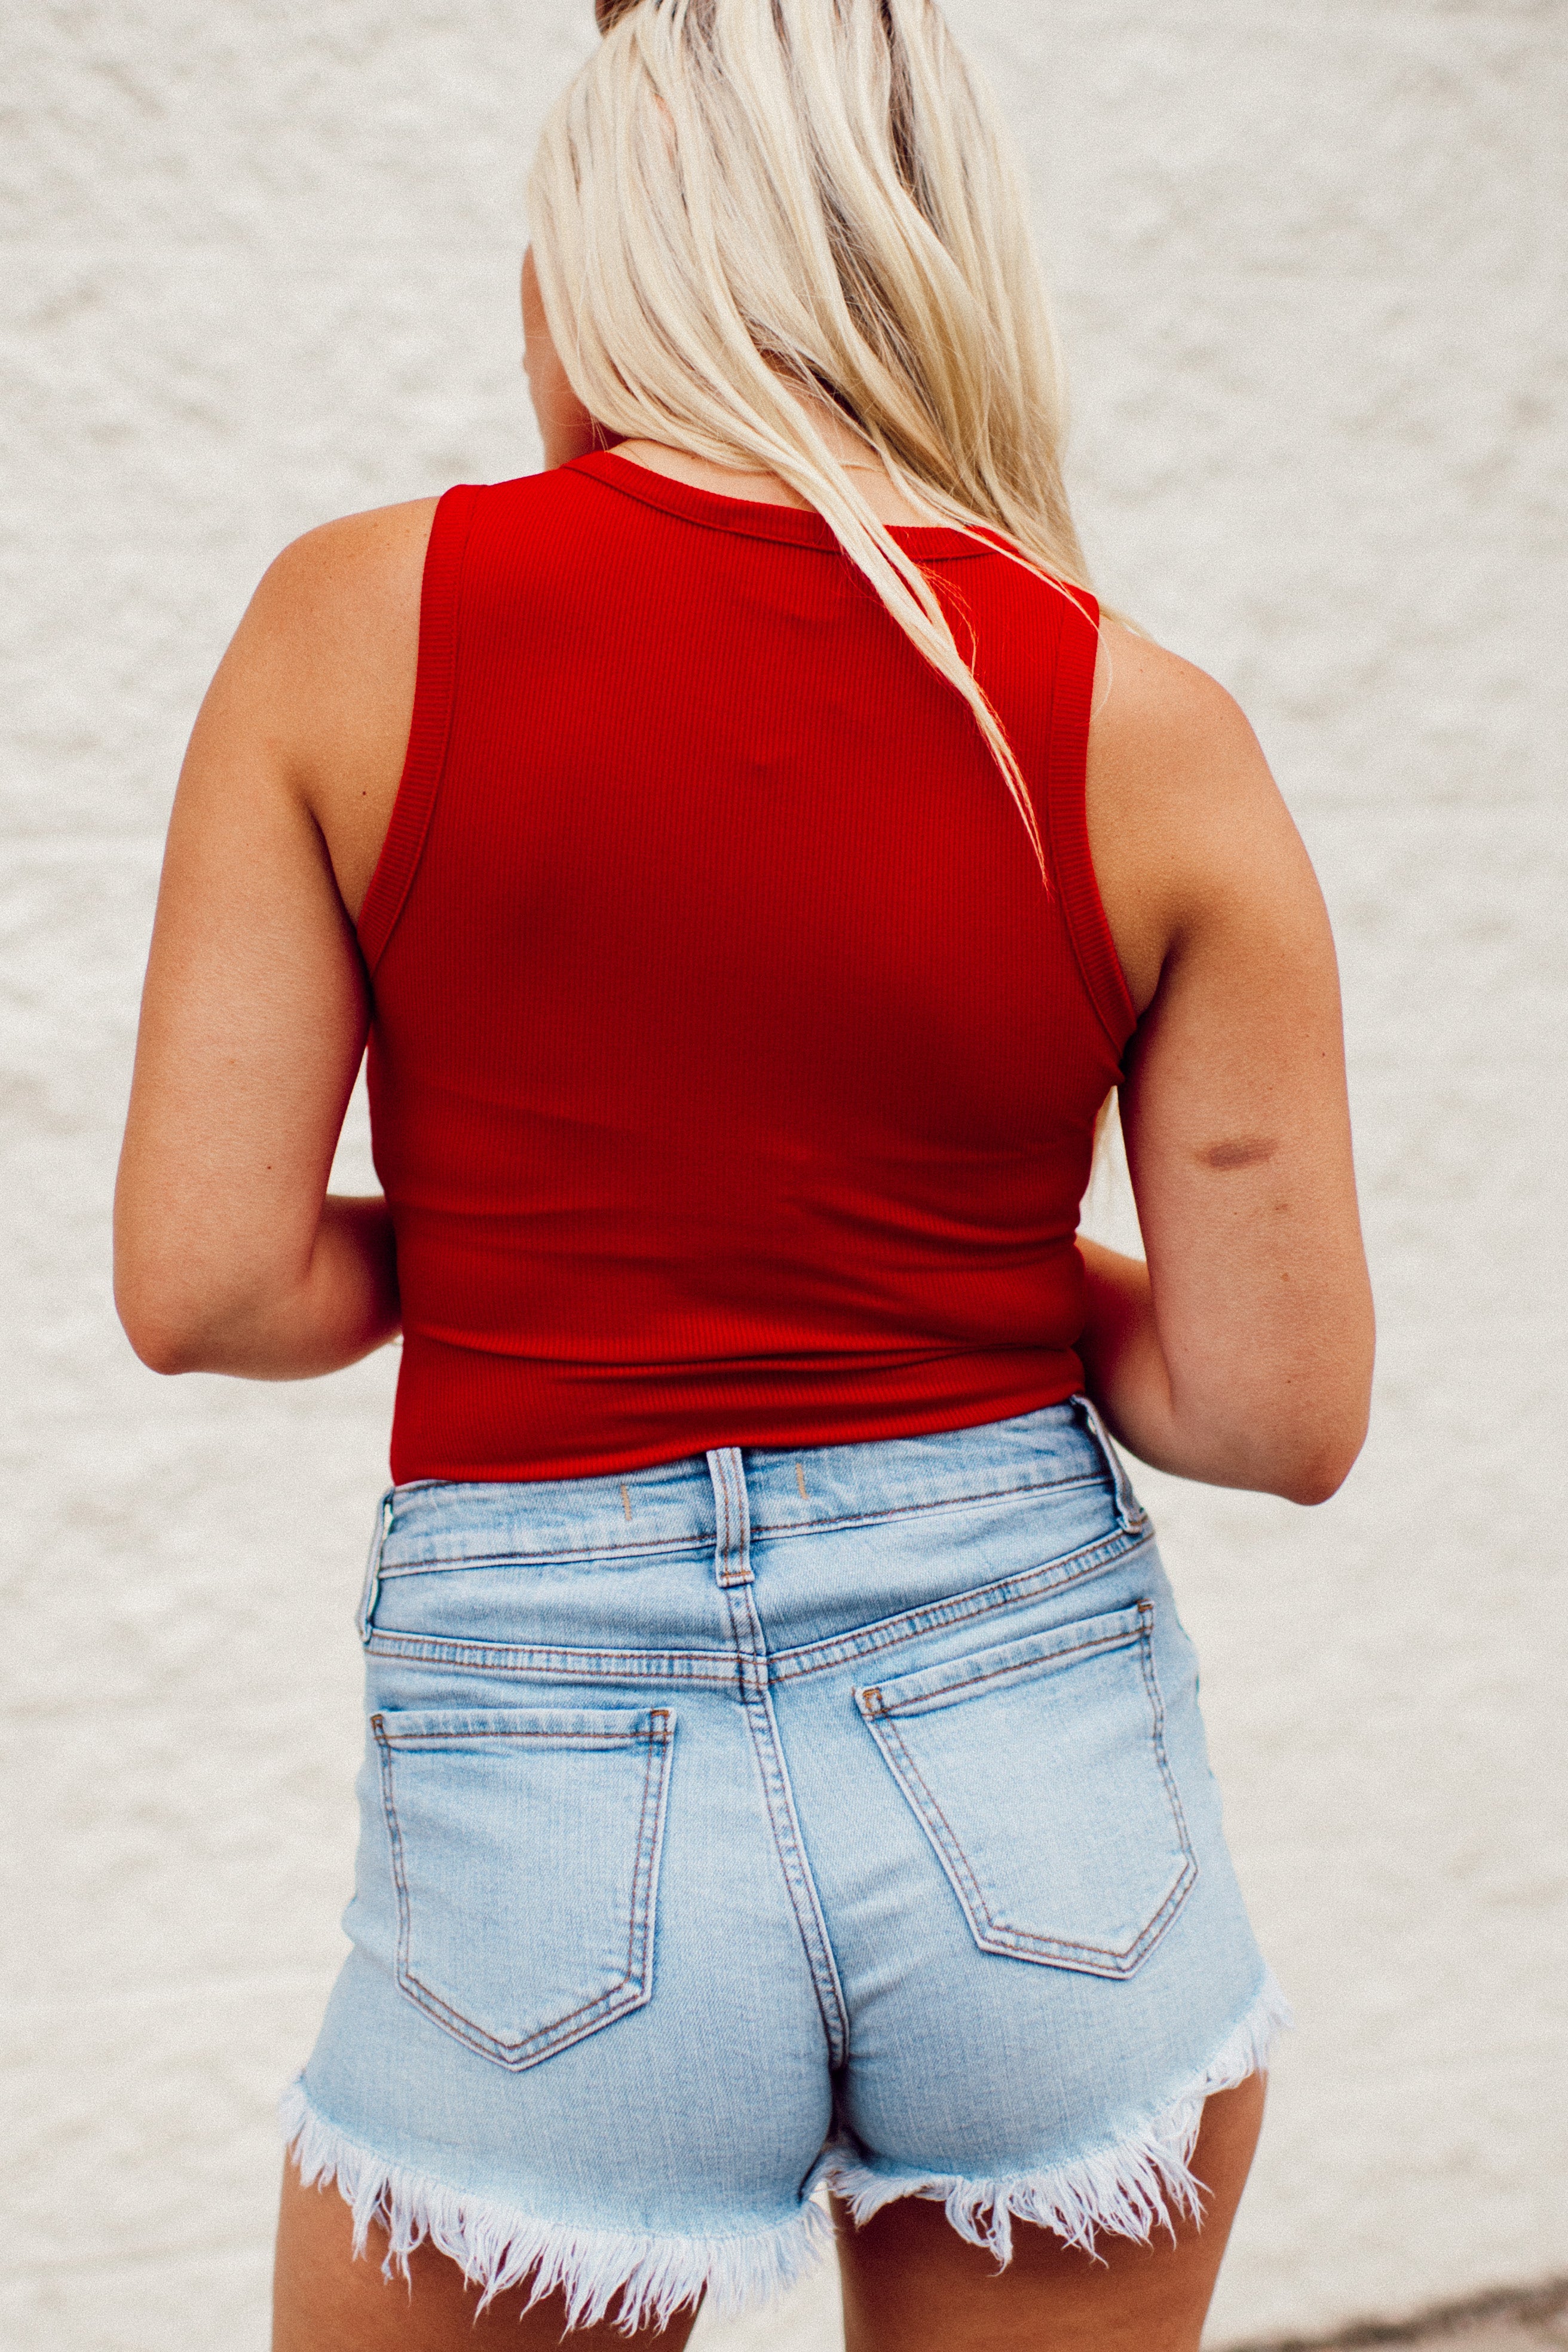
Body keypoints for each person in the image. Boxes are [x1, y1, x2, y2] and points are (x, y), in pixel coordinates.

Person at [114, 1, 1374, 2345]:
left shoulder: (350, 627)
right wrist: (938, 1268)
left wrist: (546, 1247)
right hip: (1029, 1749)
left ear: (594, 270)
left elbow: (208, 1285)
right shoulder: (1144, 724)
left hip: (545, 1762)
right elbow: (1270, 1410)